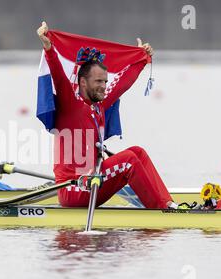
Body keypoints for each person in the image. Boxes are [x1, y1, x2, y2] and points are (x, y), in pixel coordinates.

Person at [36, 21, 183, 209]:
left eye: (105, 81)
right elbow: (58, 75)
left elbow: (122, 83)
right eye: (98, 81)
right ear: (82, 82)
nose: (104, 86)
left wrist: (141, 58)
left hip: (92, 180)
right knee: (129, 160)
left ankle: (168, 203)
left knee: (138, 152)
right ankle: (161, 210)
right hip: (74, 189)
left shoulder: (99, 105)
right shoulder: (70, 103)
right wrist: (48, 47)